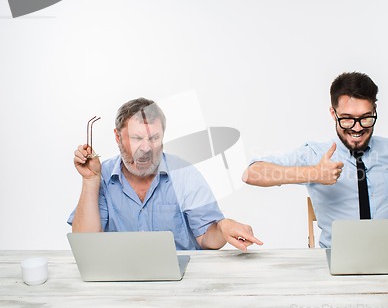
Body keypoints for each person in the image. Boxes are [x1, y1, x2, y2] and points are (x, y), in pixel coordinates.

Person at [243, 72, 388, 248]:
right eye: (346, 118)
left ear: (375, 110)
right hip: (336, 258)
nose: (357, 128)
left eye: (366, 118)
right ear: (333, 114)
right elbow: (252, 173)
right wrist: (313, 174)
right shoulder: (314, 154)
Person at [69, 97, 262, 251]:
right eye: (137, 138)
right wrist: (90, 180)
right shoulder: (101, 175)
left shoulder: (184, 174)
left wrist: (223, 227)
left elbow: (207, 237)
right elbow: (86, 245)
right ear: (118, 137)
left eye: (154, 138)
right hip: (120, 285)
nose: (146, 148)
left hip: (180, 285)